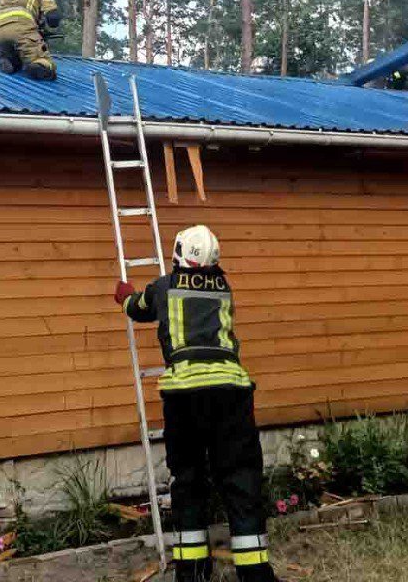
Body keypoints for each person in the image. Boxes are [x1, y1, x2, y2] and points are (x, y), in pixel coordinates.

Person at [114, 225, 277, 582]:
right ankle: (255, 571)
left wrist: (124, 293)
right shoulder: (224, 289)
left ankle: (191, 570)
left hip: (184, 394)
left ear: (178, 252)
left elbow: (137, 308)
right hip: (231, 392)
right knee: (240, 477)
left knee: (187, 477)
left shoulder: (162, 287)